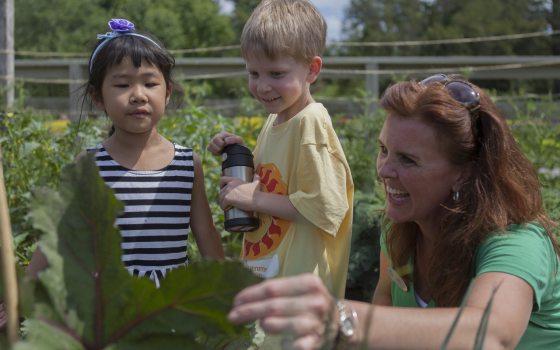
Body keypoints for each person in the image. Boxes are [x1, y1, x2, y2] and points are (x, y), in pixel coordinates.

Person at [227, 74, 560, 349]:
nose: (384, 170)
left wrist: (339, 317)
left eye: (408, 159)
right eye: (384, 150)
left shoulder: (516, 242)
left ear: (465, 171)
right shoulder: (400, 231)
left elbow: (491, 333)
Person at [26, 18, 225, 288]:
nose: (138, 95)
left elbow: (206, 234)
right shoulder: (90, 165)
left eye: (150, 84)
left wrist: (227, 295)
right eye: (122, 85)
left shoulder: (187, 164)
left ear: (167, 92)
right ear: (98, 98)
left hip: (169, 307)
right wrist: (21, 294)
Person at [208, 0, 353, 298]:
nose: (262, 86)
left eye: (276, 74)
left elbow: (324, 206)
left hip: (299, 291)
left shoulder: (310, 122)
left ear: (312, 69)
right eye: (254, 73)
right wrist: (239, 157)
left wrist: (255, 199)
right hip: (272, 278)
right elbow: (275, 186)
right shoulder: (275, 120)